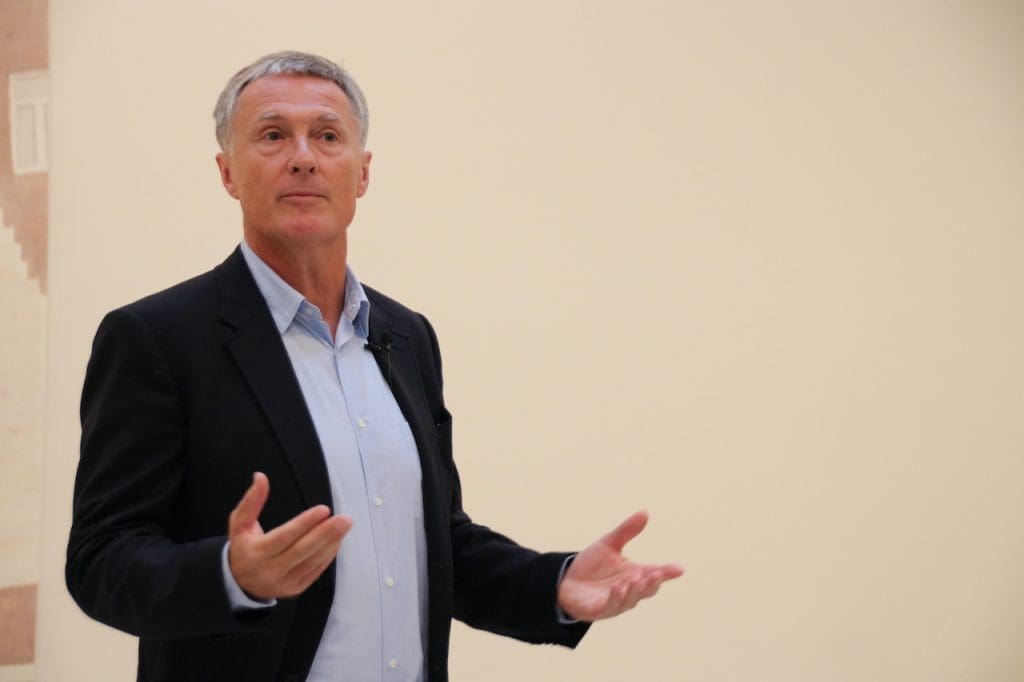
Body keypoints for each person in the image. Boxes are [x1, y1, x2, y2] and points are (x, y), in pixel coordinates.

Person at [66, 51, 682, 682]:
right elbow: (100, 560)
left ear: (361, 173)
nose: (303, 156)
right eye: (273, 135)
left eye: (328, 135)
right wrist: (231, 574)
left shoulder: (407, 337)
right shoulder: (157, 339)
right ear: (227, 172)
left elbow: (440, 545)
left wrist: (553, 585)